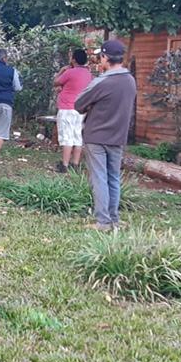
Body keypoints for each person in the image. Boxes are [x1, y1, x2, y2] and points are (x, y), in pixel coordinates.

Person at [74, 39, 137, 232]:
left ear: (105, 58)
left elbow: (78, 104)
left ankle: (102, 222)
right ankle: (114, 219)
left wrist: (91, 106)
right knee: (113, 177)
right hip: (118, 136)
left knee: (99, 177)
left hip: (97, 136)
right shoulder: (130, 81)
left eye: (100, 57)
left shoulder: (102, 82)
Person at [52, 48, 93, 173]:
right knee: (77, 136)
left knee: (66, 136)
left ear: (73, 60)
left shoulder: (70, 72)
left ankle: (64, 164)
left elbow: (55, 82)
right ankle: (75, 164)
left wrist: (62, 71)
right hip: (80, 109)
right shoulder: (88, 74)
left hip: (67, 108)